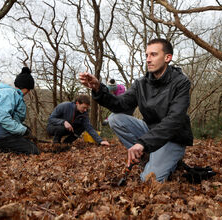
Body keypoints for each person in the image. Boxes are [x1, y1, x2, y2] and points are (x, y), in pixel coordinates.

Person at [79, 38, 193, 182]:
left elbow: (174, 120)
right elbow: (121, 104)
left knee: (148, 180)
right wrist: (98, 88)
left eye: (153, 55)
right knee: (115, 119)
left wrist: (142, 143)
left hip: (173, 138)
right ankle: (148, 158)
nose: (148, 59)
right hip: (150, 132)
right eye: (146, 55)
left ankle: (168, 160)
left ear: (167, 58)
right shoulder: (141, 83)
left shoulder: (181, 82)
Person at [0, 67, 40, 155]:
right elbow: (4, 118)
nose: (28, 92)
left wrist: (25, 129)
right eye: (29, 89)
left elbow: (14, 117)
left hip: (4, 133)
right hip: (2, 135)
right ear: (25, 87)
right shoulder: (8, 94)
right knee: (33, 151)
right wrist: (23, 130)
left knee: (30, 143)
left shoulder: (12, 94)